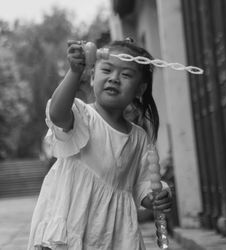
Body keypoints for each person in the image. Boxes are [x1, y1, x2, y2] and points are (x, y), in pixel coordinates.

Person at [27, 38, 172, 250]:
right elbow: (57, 114)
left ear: (140, 89)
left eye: (126, 74)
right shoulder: (82, 117)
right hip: (70, 228)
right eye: (107, 70)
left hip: (111, 236)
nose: (114, 79)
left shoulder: (139, 138)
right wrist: (75, 73)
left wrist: (156, 196)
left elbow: (143, 182)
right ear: (93, 76)